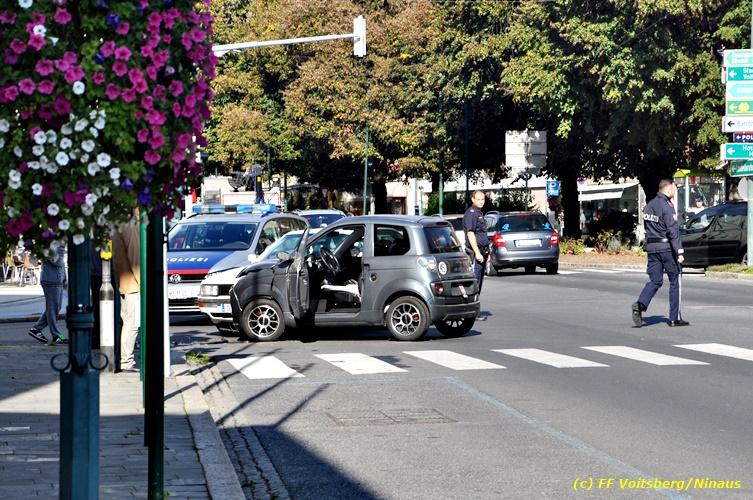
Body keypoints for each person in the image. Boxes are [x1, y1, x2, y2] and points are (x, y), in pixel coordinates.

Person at [632, 179, 689, 327]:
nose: (675, 191)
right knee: (675, 280)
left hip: (652, 248)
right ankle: (674, 318)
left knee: (655, 281)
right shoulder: (667, 206)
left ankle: (640, 304)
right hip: (666, 248)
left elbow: (648, 227)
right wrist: (679, 252)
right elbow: (673, 230)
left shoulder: (650, 205)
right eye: (674, 188)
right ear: (668, 189)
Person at [112, 210, 141, 372]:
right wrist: (143, 282)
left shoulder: (118, 223)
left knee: (128, 322)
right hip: (133, 284)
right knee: (132, 323)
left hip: (125, 281)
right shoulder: (130, 225)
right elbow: (135, 256)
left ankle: (124, 359)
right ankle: (126, 360)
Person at [28, 244, 68, 345]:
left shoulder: (56, 244)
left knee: (55, 308)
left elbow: (60, 263)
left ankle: (36, 329)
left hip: (56, 280)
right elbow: (57, 262)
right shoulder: (51, 244)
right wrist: (62, 249)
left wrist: (64, 278)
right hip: (51, 280)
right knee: (53, 309)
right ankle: (56, 335)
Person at [463, 190, 490, 293]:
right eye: (478, 199)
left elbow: (482, 234)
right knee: (474, 284)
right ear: (473, 199)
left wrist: (487, 252)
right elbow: (470, 234)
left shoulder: (479, 212)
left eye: (482, 199)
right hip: (475, 253)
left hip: (482, 252)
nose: (481, 201)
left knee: (479, 284)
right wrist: (477, 253)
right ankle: (471, 301)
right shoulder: (472, 213)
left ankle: (476, 300)